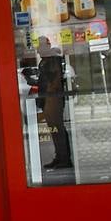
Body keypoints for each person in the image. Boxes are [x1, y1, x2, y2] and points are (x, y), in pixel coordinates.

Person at [36, 37, 71, 169]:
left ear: (46, 46)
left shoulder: (53, 59)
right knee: (54, 130)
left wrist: (49, 97)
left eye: (39, 46)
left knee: (58, 129)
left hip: (52, 99)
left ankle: (64, 159)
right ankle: (60, 157)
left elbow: (54, 81)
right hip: (49, 98)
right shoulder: (48, 59)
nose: (37, 50)